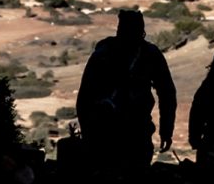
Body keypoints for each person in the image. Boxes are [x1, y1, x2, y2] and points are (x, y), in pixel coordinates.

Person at [76, 9, 177, 169]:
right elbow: (167, 94)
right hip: (128, 131)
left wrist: (87, 133)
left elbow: (84, 98)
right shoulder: (149, 54)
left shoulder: (103, 53)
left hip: (112, 130)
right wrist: (166, 130)